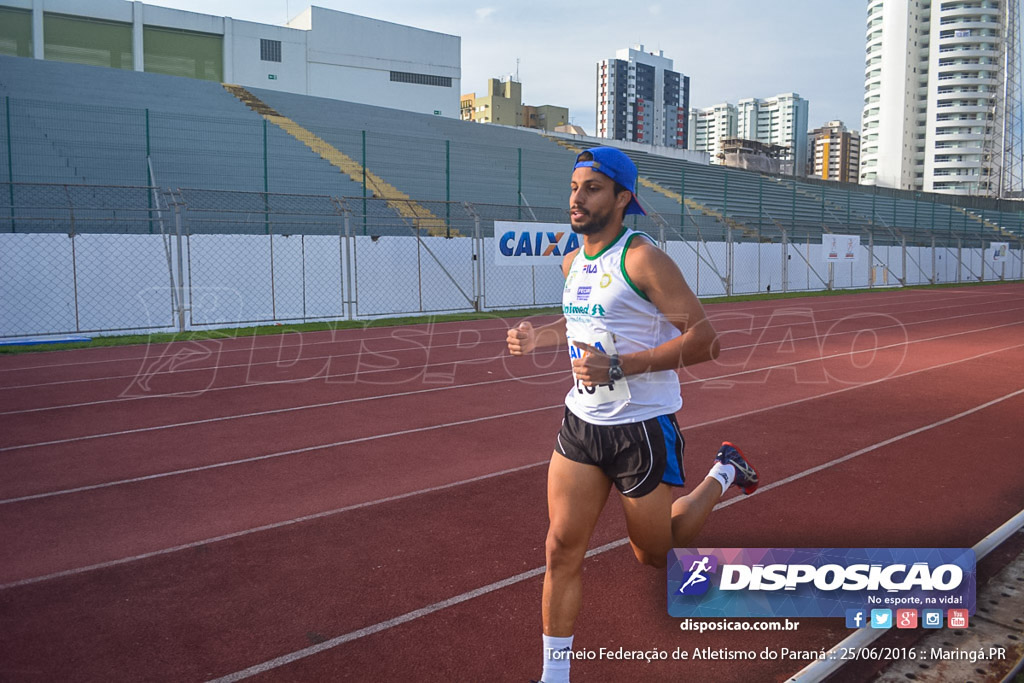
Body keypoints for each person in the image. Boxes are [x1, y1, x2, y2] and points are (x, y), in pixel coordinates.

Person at [506, 147, 760, 683]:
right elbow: (578, 319)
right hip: (581, 424)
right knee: (560, 546)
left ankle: (723, 473)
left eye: (592, 188)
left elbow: (705, 341)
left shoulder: (642, 258)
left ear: (623, 198)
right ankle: (554, 677)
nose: (577, 198)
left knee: (654, 555)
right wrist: (539, 336)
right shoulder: (573, 259)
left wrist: (620, 365)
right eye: (574, 187)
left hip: (640, 429)